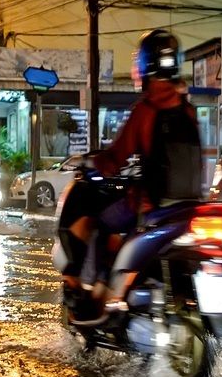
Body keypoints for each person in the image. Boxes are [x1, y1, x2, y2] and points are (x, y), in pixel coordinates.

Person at [57, 29, 199, 324]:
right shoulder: (188, 110)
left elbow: (115, 158)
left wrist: (91, 161)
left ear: (145, 66)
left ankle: (94, 295)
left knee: (100, 224)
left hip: (150, 206)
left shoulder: (146, 110)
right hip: (188, 205)